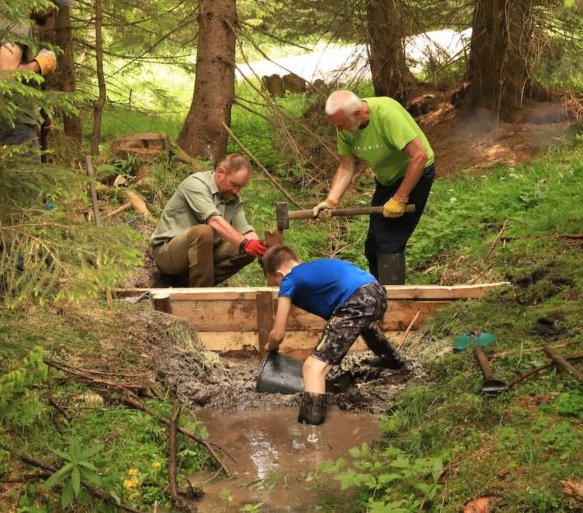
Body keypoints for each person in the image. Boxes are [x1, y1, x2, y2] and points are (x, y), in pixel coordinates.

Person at [262, 245, 405, 426]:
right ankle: (394, 363)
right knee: (365, 326)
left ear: (280, 275)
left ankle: (311, 430)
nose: (279, 287)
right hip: (377, 291)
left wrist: (270, 347)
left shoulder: (289, 280)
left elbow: (278, 333)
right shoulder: (316, 268)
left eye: (275, 283)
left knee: (312, 368)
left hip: (355, 300)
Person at [314, 90, 435, 283]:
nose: (340, 129)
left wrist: (400, 198)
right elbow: (346, 167)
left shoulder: (386, 114)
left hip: (415, 174)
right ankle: (379, 296)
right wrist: (331, 201)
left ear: (358, 113)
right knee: (372, 246)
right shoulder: (344, 125)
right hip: (387, 181)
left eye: (341, 124)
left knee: (388, 242)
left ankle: (394, 302)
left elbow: (419, 156)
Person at [0, 0, 71, 152]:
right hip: (12, 123)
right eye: (52, 3)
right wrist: (40, 64)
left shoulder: (1, 16)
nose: (55, 10)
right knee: (29, 177)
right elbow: (6, 75)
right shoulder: (18, 22)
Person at [151, 154, 268, 287]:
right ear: (220, 172)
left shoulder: (233, 200)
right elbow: (213, 220)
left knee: (246, 251)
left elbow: (245, 231)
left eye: (240, 187)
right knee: (204, 232)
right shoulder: (196, 184)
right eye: (233, 184)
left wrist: (259, 248)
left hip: (201, 256)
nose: (236, 191)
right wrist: (245, 244)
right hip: (168, 254)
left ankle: (194, 284)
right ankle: (202, 295)